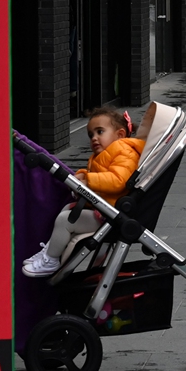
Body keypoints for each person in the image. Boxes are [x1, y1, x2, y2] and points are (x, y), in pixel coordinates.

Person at [23, 108, 146, 277]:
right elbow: (100, 175)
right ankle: (49, 252)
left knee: (65, 220)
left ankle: (51, 259)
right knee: (68, 209)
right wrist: (83, 176)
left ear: (120, 134)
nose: (94, 138)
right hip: (105, 210)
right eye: (90, 135)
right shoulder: (106, 154)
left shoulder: (124, 151)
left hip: (110, 216)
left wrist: (89, 180)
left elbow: (118, 180)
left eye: (100, 132)